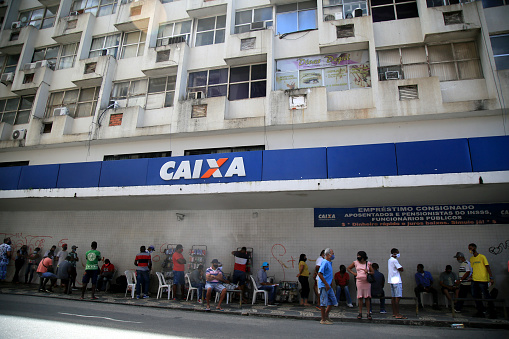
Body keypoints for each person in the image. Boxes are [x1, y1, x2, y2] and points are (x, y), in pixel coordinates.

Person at [468, 243, 496, 318]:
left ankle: (492, 312)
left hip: (483, 279)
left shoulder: (482, 257)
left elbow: (487, 267)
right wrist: (471, 276)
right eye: (469, 249)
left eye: (471, 248)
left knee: (487, 296)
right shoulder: (471, 259)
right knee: (476, 296)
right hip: (475, 279)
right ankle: (480, 311)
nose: (470, 250)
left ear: (475, 248)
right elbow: (473, 269)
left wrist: (491, 277)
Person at [347, 251, 374, 320]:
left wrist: (367, 272)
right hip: (359, 281)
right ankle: (360, 312)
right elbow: (348, 268)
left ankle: (368, 313)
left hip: (366, 282)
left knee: (367, 297)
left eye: (359, 256)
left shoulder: (368, 263)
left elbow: (372, 272)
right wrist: (354, 273)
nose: (358, 257)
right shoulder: (355, 262)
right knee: (360, 297)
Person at [317, 248, 337, 325]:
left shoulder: (329, 263)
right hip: (324, 285)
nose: (333, 255)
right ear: (328, 254)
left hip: (328, 285)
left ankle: (326, 316)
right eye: (332, 253)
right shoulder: (325, 262)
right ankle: (323, 319)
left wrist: (330, 283)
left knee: (332, 300)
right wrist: (326, 284)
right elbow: (320, 273)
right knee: (323, 302)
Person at [388, 248, 406, 319]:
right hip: (397, 281)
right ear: (395, 253)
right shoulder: (395, 260)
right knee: (397, 298)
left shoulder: (389, 260)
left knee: (393, 297)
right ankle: (398, 314)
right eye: (398, 253)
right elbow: (400, 268)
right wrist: (402, 268)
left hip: (391, 280)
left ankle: (394, 313)